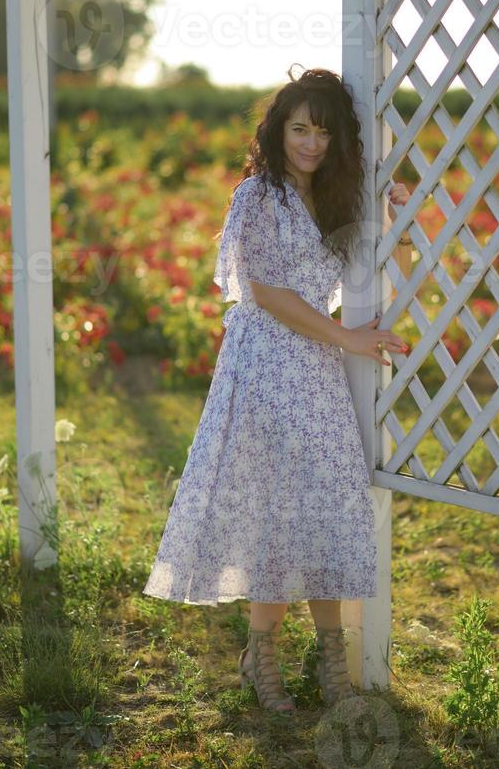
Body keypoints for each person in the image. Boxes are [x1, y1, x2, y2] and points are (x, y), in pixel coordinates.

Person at [143, 65, 410, 716]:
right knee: (276, 511)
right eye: (299, 129)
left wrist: (401, 218)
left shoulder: (342, 198)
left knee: (323, 502)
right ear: (278, 129)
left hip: (316, 370)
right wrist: (347, 340)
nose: (311, 143)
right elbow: (264, 292)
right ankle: (259, 658)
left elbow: (386, 279)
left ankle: (330, 663)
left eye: (322, 131)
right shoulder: (257, 198)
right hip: (266, 362)